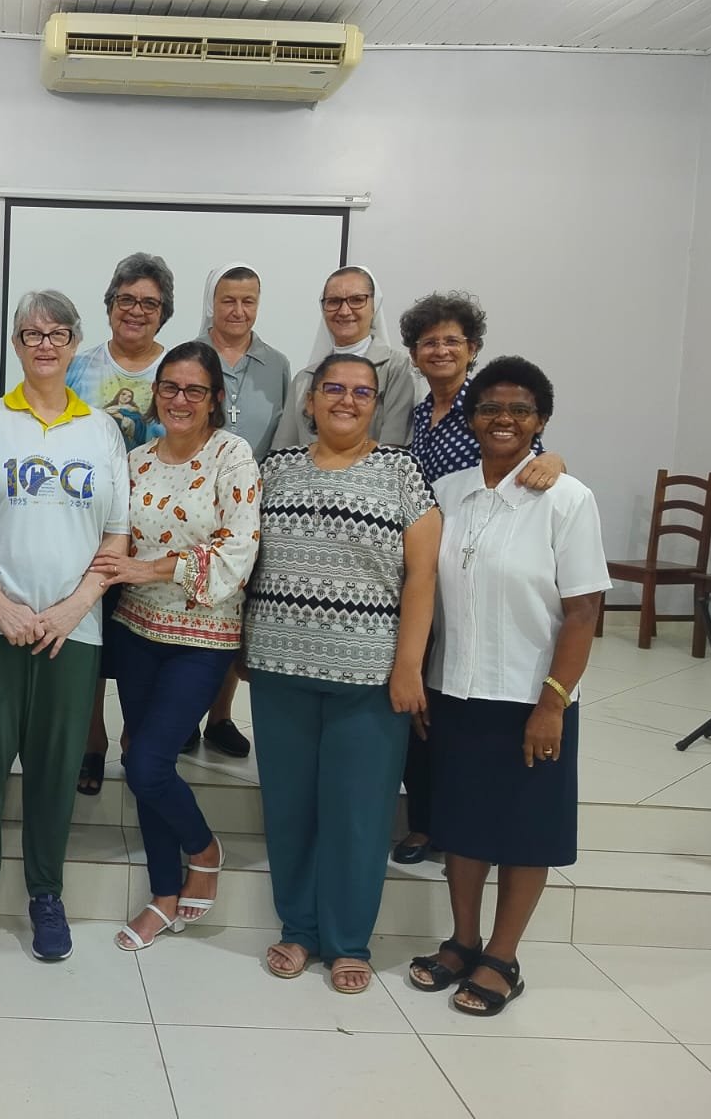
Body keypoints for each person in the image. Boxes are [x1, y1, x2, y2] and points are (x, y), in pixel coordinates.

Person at [406, 357, 608, 1015]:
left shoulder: (567, 499)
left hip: (531, 695)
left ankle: (503, 956)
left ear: (540, 421)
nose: (504, 419)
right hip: (455, 688)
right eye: (491, 407)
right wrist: (421, 677)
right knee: (461, 825)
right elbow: (426, 592)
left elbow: (584, 610)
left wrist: (553, 702)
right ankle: (462, 941)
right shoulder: (448, 490)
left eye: (520, 410)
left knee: (525, 831)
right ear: (471, 417)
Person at [244, 352, 440, 995]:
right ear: (309, 400)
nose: (346, 400)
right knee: (290, 810)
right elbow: (245, 558)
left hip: (369, 677)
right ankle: (299, 929)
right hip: (280, 668)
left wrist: (408, 666)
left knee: (358, 816)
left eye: (362, 392)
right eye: (333, 388)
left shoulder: (402, 474)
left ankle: (349, 940)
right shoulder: (275, 470)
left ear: (376, 404)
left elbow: (422, 577)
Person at [0, 289, 130, 964]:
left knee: (56, 770)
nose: (45, 344)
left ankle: (46, 896)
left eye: (57, 334)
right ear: (16, 345)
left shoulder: (102, 431)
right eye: (31, 334)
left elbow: (116, 535)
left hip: (70, 632)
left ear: (75, 343)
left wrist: (76, 606)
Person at [90, 342, 260, 950]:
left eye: (194, 390)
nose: (180, 400)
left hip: (202, 637)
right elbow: (109, 534)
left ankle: (204, 848)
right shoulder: (134, 461)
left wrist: (151, 569)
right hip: (135, 629)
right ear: (154, 394)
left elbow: (238, 549)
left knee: (147, 763)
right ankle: (164, 894)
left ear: (215, 399)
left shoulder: (233, 456)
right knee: (138, 753)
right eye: (169, 388)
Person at [390, 292, 566, 866]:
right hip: (429, 565)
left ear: (473, 348)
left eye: (452, 341)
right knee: (421, 697)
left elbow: (536, 460)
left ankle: (441, 825)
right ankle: (427, 819)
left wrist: (557, 460)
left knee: (445, 704)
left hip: (479, 566)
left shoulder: (489, 403)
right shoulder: (418, 413)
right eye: (428, 342)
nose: (440, 350)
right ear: (413, 354)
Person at [68, 252, 175, 796]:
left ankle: (138, 742)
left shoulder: (178, 370)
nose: (136, 311)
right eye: (126, 300)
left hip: (157, 535)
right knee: (89, 640)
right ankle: (92, 741)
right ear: (109, 305)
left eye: (149, 303)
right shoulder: (77, 366)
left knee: (141, 648)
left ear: (164, 312)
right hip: (85, 529)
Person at [195, 261, 294, 759]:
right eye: (228, 300)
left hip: (250, 509)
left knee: (236, 611)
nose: (238, 310)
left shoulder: (277, 364)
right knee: (189, 605)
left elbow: (284, 436)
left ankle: (220, 715)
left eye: (248, 301)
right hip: (192, 499)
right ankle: (181, 715)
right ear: (211, 303)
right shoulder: (190, 356)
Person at [273, 266, 416, 448]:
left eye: (357, 300)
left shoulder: (397, 368)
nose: (344, 311)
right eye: (334, 302)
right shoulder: (304, 380)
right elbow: (283, 451)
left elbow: (393, 446)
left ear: (374, 306)